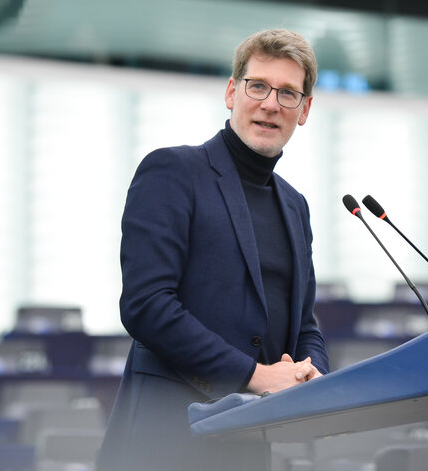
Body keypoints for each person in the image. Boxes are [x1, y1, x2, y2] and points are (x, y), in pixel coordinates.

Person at [97, 29, 330, 471]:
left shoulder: (295, 206)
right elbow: (146, 305)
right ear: (231, 91)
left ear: (304, 110)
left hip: (247, 446)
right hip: (164, 440)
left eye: (287, 93)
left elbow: (305, 326)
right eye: (257, 85)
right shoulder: (173, 171)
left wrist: (310, 375)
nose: (269, 103)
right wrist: (255, 376)